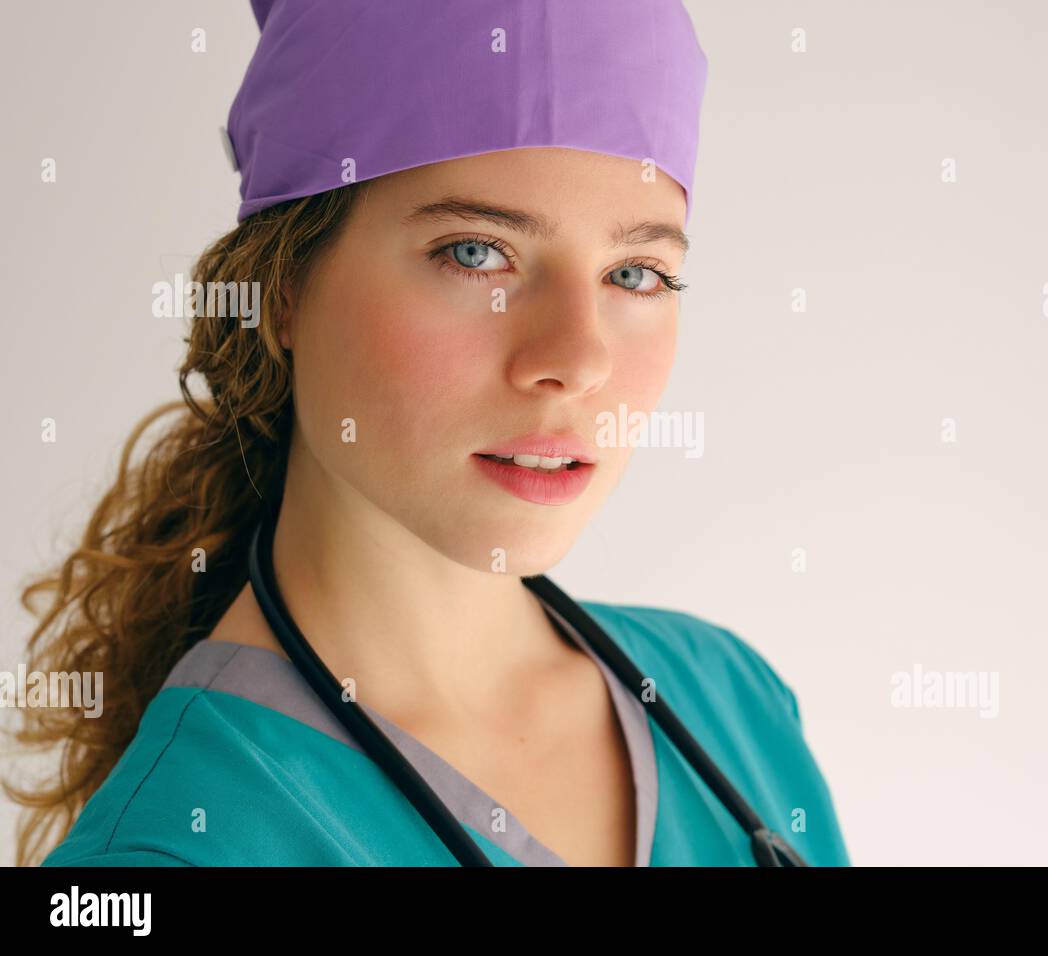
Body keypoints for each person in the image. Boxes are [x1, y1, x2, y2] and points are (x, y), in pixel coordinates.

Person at [13, 0, 851, 867]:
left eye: (634, 273)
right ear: (283, 289)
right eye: (477, 254)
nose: (575, 359)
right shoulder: (169, 853)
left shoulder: (737, 706)